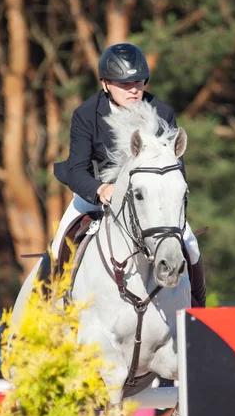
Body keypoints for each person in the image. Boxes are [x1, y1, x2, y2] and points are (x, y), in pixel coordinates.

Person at [53, 43, 206, 306]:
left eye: (138, 81)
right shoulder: (86, 115)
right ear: (105, 85)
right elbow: (76, 169)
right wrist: (100, 189)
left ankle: (197, 311)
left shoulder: (162, 113)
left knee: (190, 245)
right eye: (124, 84)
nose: (134, 89)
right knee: (59, 245)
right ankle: (54, 308)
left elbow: (175, 168)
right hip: (96, 192)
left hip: (149, 201)